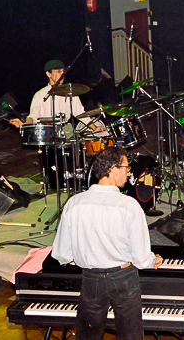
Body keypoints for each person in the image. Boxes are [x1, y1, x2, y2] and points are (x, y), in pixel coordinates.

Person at [52, 146, 164, 340]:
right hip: (124, 278)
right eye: (126, 168)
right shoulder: (129, 205)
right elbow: (140, 258)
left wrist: (84, 256)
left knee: (88, 336)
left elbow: (61, 253)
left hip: (91, 279)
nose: (129, 173)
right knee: (130, 336)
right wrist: (152, 260)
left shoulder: (74, 203)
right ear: (113, 170)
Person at [9, 59, 106, 133]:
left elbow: (80, 114)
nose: (62, 74)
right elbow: (33, 117)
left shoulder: (70, 91)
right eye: (58, 71)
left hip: (66, 130)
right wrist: (24, 123)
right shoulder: (40, 95)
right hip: (47, 131)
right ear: (48, 74)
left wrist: (94, 127)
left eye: (63, 71)